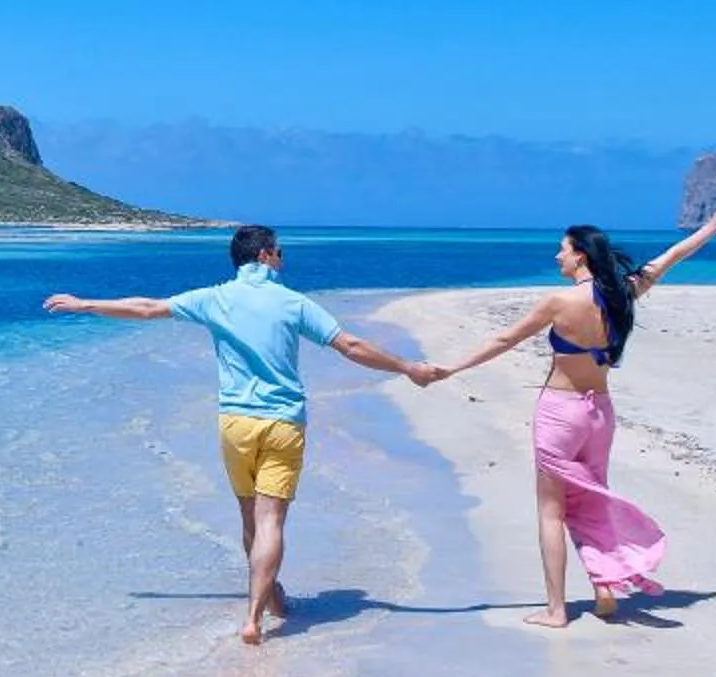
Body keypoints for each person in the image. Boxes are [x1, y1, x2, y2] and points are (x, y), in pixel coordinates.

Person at [47, 225, 439, 644]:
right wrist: (408, 368)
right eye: (281, 252)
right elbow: (352, 346)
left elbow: (146, 308)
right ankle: (255, 616)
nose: (283, 258)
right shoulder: (294, 303)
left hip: (235, 424)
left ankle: (272, 598)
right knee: (271, 520)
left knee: (249, 517)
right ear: (268, 255)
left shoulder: (214, 299)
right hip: (283, 423)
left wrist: (86, 303)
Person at [424, 196, 716, 627]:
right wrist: (713, 227)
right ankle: (603, 587)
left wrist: (449, 369)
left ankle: (557, 610)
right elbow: (673, 255)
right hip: (601, 414)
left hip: (561, 414)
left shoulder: (560, 302)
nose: (556, 254)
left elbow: (504, 341)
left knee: (551, 510)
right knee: (591, 500)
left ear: (580, 253)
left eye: (562, 248)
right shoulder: (624, 293)